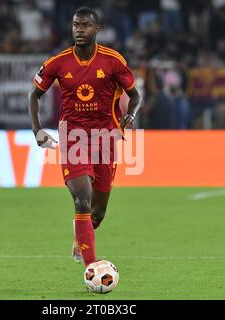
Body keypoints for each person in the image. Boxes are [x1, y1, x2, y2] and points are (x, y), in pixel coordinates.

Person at [28, 7, 143, 267]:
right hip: (73, 138)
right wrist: (37, 130)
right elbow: (33, 94)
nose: (79, 30)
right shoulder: (59, 62)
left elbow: (135, 96)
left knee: (98, 212)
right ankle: (91, 268)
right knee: (82, 199)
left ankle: (80, 238)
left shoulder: (112, 61)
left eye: (85, 25)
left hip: (106, 138)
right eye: (76, 25)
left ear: (97, 29)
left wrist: (131, 115)